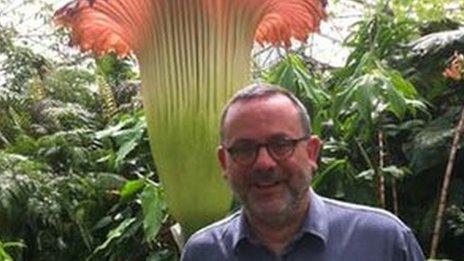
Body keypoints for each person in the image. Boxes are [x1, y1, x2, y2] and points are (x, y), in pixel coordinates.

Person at [181, 83, 425, 261]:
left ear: (311, 152)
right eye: (244, 149)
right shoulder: (203, 253)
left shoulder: (383, 242)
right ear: (224, 162)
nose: (264, 163)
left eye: (281, 145)